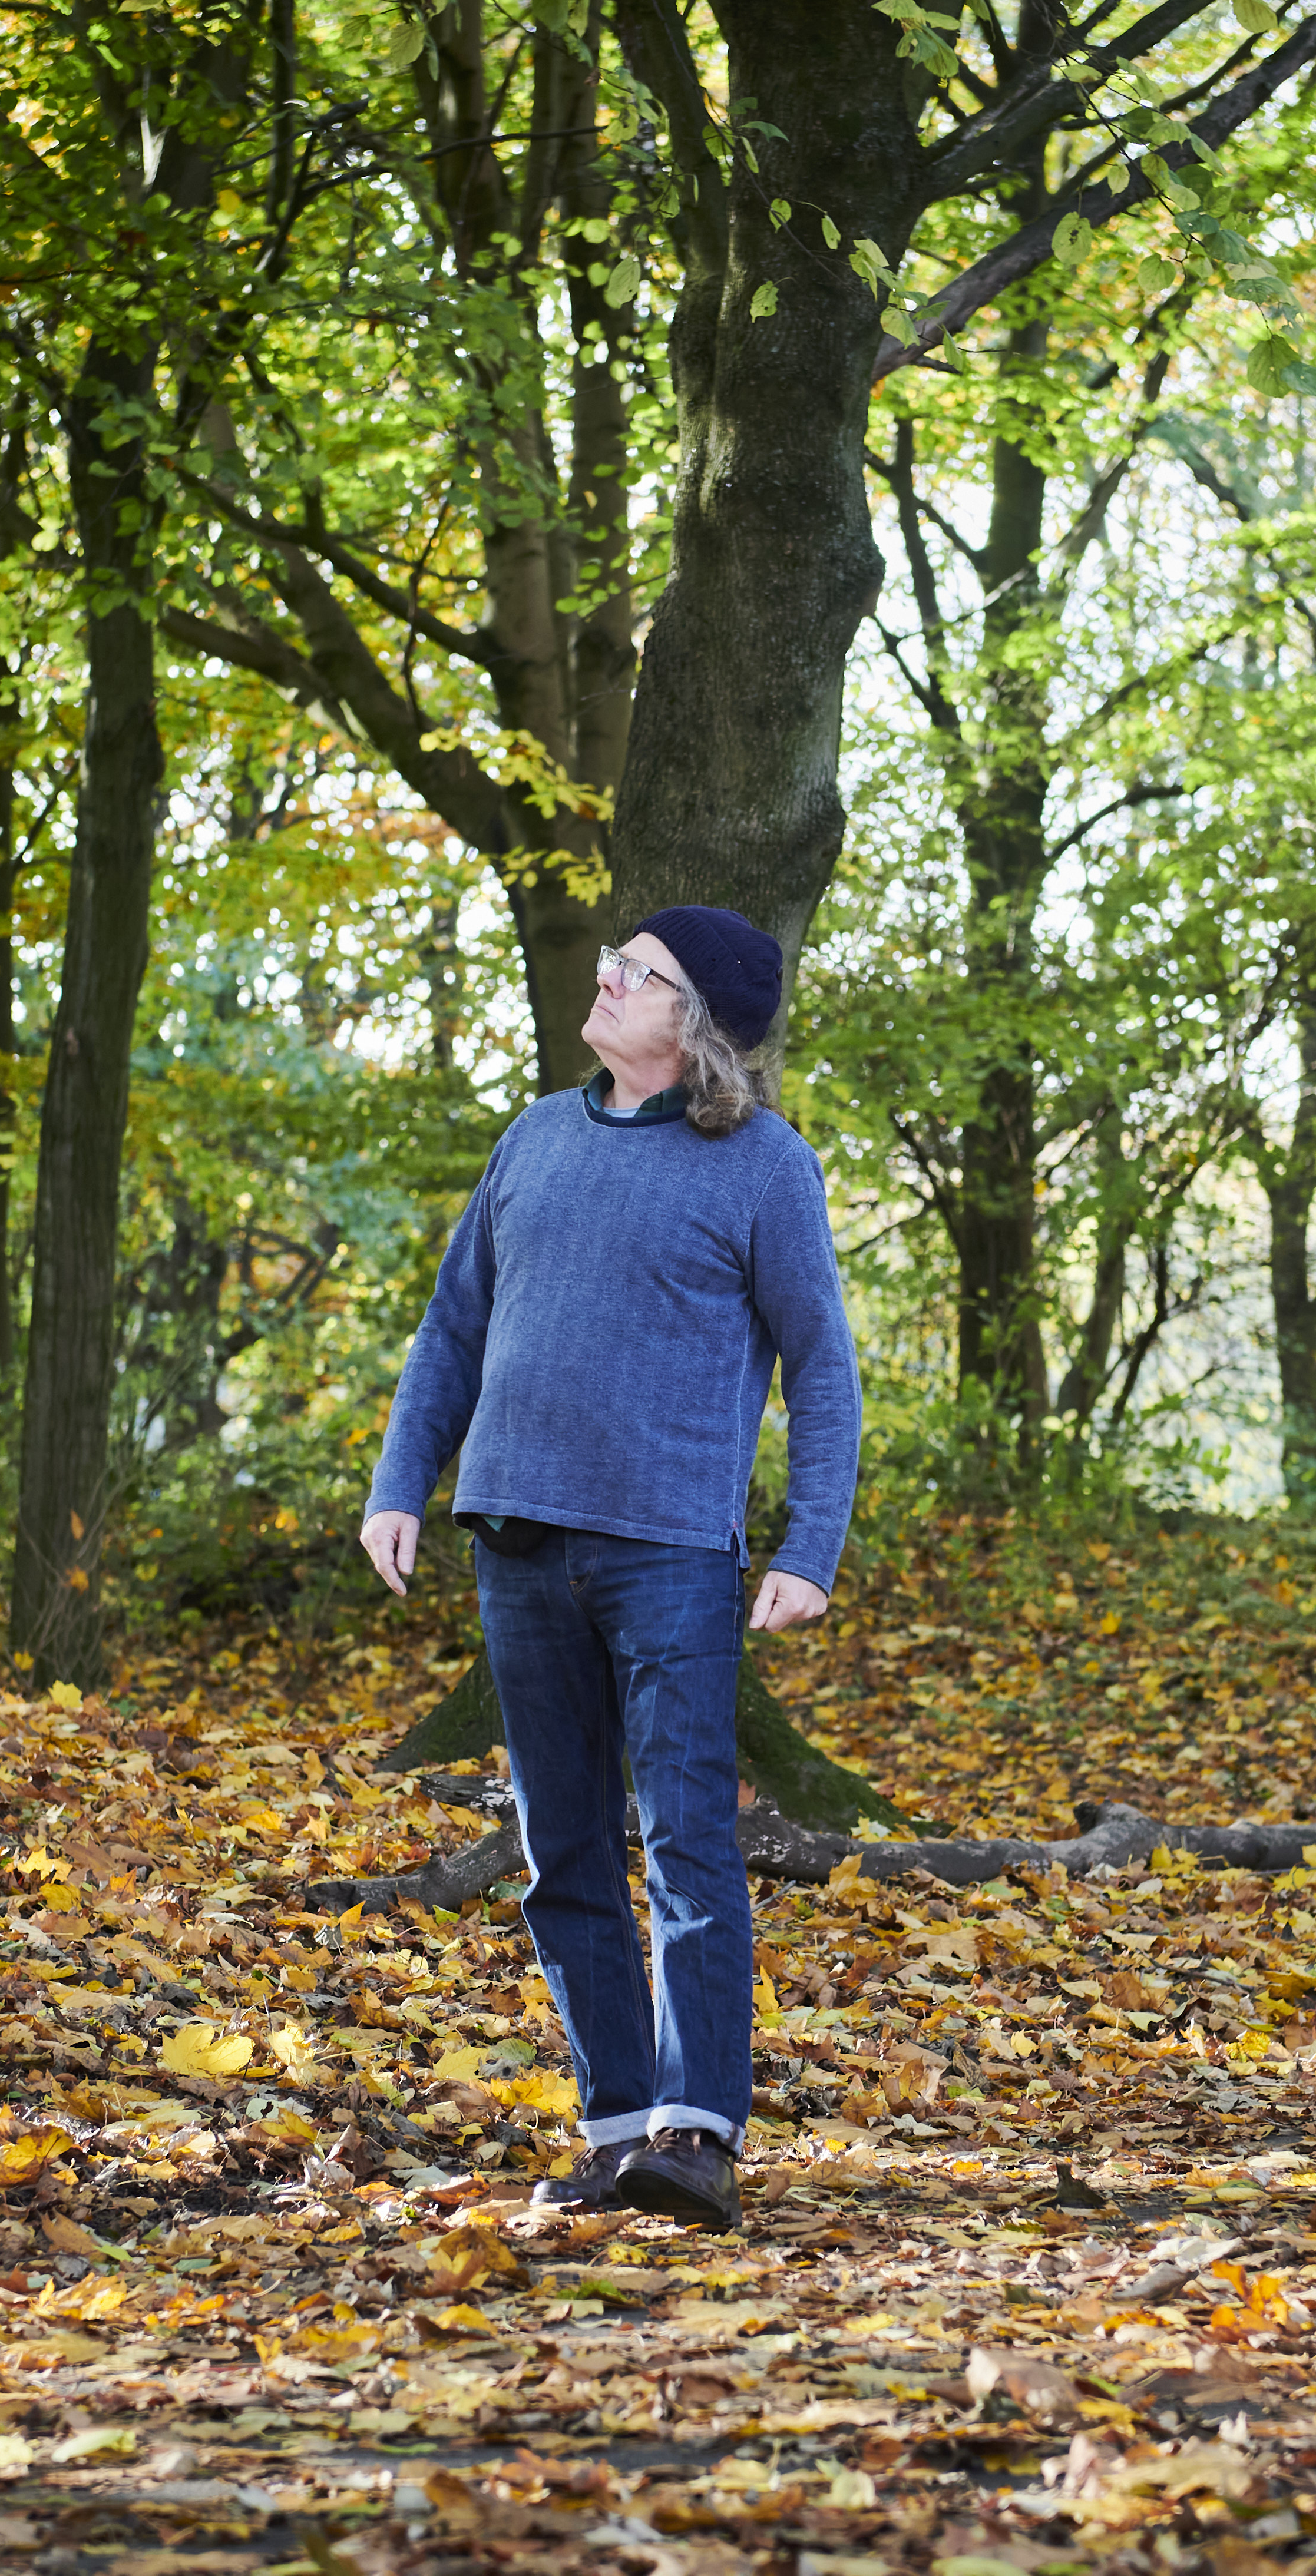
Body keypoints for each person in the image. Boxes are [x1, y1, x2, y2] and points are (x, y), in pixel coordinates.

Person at [358, 905, 862, 2232]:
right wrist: (399, 1481)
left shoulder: (765, 1168)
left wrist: (811, 1547)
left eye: (640, 972)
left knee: (687, 1840)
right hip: (517, 1541)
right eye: (615, 963)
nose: (610, 979)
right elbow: (449, 1328)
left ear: (695, 1025)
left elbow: (822, 1367)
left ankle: (701, 2134)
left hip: (672, 1558)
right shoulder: (534, 1138)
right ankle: (619, 2126)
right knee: (560, 1848)